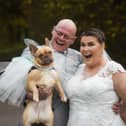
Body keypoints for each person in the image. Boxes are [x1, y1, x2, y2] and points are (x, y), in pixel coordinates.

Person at [0, 19, 82, 126]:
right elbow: (16, 82)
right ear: (53, 30)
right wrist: (30, 95)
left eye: (66, 36)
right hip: (33, 110)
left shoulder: (78, 57)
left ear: (73, 40)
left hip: (61, 113)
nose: (61, 38)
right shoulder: (34, 52)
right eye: (59, 33)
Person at [65, 28, 126, 126]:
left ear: (102, 46)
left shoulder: (113, 69)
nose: (85, 49)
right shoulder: (78, 70)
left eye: (91, 44)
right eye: (82, 45)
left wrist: (123, 107)